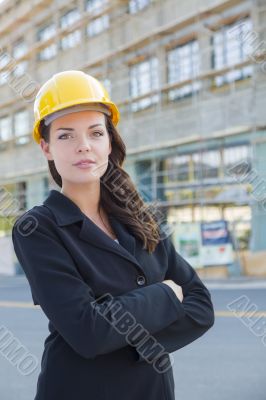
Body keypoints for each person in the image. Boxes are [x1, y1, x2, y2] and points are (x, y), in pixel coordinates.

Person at [12, 70, 215, 400]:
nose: (84, 147)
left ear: (109, 141)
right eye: (66, 136)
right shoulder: (38, 229)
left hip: (153, 390)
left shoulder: (142, 218)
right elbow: (88, 331)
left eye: (95, 133)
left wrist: (124, 337)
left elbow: (201, 306)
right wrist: (164, 294)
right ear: (46, 147)